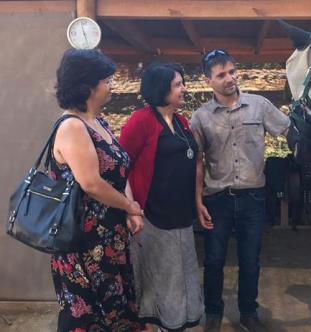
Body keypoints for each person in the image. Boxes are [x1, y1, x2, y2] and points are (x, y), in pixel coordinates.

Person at [191, 49, 290, 332]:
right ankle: (213, 313)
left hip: (253, 198)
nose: (229, 79)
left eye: (232, 71)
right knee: (213, 260)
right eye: (221, 75)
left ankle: (248, 312)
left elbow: (287, 132)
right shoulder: (201, 118)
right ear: (208, 80)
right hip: (217, 200)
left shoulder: (259, 106)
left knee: (250, 260)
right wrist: (197, 201)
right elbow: (198, 162)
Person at [49, 48, 144, 332]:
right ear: (89, 86)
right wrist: (130, 207)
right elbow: (91, 183)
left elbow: (119, 170)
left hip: (108, 238)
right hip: (84, 242)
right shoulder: (72, 127)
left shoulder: (98, 122)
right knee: (90, 316)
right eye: (107, 80)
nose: (111, 85)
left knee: (114, 311)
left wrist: (130, 207)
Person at [120, 63, 203, 332]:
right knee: (158, 278)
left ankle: (174, 324)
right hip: (153, 217)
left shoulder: (180, 121)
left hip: (181, 217)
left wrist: (198, 202)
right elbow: (121, 167)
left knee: (180, 276)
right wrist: (131, 208)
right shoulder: (141, 121)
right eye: (178, 84)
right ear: (161, 88)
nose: (184, 89)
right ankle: (152, 325)